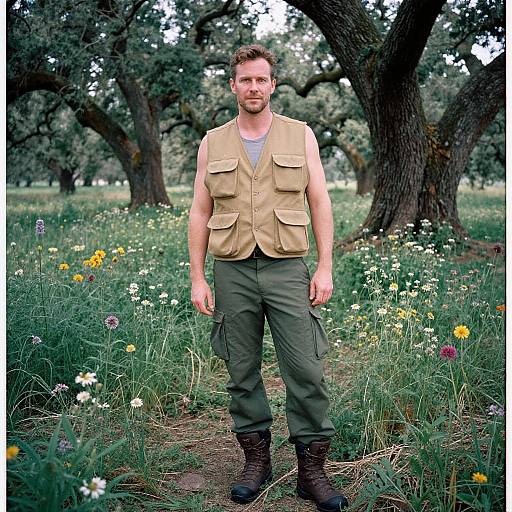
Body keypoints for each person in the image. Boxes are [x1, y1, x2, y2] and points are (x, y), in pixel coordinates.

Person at [188, 44, 348, 511]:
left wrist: (324, 265)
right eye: (246, 80)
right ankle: (256, 462)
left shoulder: (300, 136)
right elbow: (200, 210)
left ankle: (311, 471)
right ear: (233, 86)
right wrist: (198, 277)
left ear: (272, 85)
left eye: (262, 79)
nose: (254, 87)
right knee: (241, 371)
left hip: (286, 267)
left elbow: (320, 201)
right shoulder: (212, 142)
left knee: (306, 369)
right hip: (233, 269)